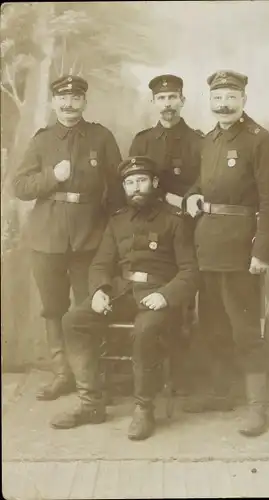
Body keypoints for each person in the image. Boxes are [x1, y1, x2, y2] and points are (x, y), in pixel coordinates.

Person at [50, 156, 199, 440]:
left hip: (158, 297)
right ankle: (91, 403)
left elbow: (191, 272)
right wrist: (99, 290)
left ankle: (144, 408)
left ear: (154, 183)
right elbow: (101, 264)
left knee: (145, 330)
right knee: (73, 320)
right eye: (129, 183)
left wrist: (165, 295)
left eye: (141, 181)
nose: (135, 188)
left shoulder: (175, 221)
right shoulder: (117, 221)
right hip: (122, 292)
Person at [184, 70, 269, 436]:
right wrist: (192, 195)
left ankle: (256, 409)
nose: (224, 103)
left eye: (231, 96)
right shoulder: (209, 140)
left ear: (244, 99)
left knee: (245, 329)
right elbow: (203, 184)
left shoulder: (261, 142)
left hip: (242, 250)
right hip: (207, 246)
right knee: (213, 324)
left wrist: (262, 251)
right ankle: (219, 393)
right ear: (210, 101)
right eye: (217, 98)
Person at [12, 74, 123, 401]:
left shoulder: (101, 137)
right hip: (47, 237)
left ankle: (90, 372)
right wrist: (52, 177)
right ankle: (63, 373)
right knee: (53, 307)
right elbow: (19, 187)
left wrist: (112, 234)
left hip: (90, 237)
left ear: (84, 102)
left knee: (88, 306)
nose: (69, 104)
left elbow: (117, 190)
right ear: (53, 102)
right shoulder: (42, 140)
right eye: (63, 98)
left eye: (76, 98)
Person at [129, 74, 203, 339]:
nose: (167, 104)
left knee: (185, 291)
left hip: (186, 224)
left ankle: (184, 357)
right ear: (153, 102)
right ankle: (154, 351)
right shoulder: (142, 141)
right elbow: (132, 184)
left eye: (172, 97)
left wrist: (179, 201)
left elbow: (204, 184)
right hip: (150, 225)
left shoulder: (198, 141)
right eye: (161, 98)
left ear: (182, 100)